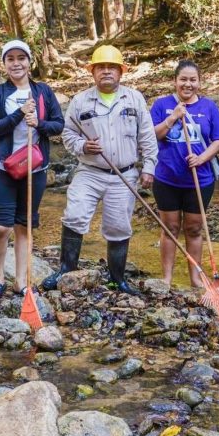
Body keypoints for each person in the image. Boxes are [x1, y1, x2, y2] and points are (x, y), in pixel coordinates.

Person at [42, 44, 157, 295]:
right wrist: (83, 145)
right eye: (101, 67)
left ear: (121, 72)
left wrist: (149, 167)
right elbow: (68, 134)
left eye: (111, 67)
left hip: (124, 174)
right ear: (92, 72)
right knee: (75, 214)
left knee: (118, 225)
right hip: (90, 171)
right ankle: (66, 269)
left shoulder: (134, 99)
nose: (106, 71)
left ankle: (117, 280)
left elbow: (147, 136)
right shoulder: (80, 101)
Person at [0, 40, 64, 299]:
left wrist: (38, 123)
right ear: (4, 63)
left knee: (24, 226)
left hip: (34, 167)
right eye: (11, 59)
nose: (16, 63)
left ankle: (20, 280)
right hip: (1, 166)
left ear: (30, 62)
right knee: (0, 227)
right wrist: (19, 114)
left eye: (21, 58)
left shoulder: (43, 92)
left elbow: (58, 125)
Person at [150, 61, 219, 287]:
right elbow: (153, 134)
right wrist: (172, 117)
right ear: (175, 81)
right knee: (170, 228)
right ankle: (166, 278)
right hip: (167, 177)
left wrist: (202, 157)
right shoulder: (161, 105)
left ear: (199, 82)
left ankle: (195, 278)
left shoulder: (209, 107)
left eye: (192, 80)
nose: (188, 84)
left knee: (194, 228)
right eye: (183, 79)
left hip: (199, 179)